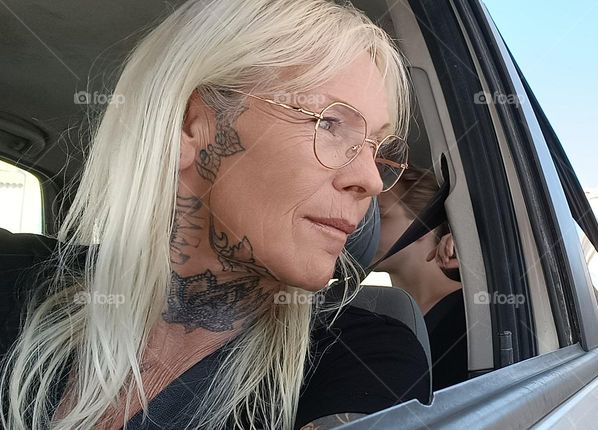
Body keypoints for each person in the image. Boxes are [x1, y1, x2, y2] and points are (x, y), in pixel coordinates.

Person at [0, 1, 431, 429]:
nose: (371, 180)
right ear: (191, 126)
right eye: (330, 123)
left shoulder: (363, 355)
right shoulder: (18, 279)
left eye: (378, 149)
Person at [374, 167, 468, 390]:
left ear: (422, 227)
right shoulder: (371, 314)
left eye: (379, 216)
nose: (360, 228)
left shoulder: (470, 311)